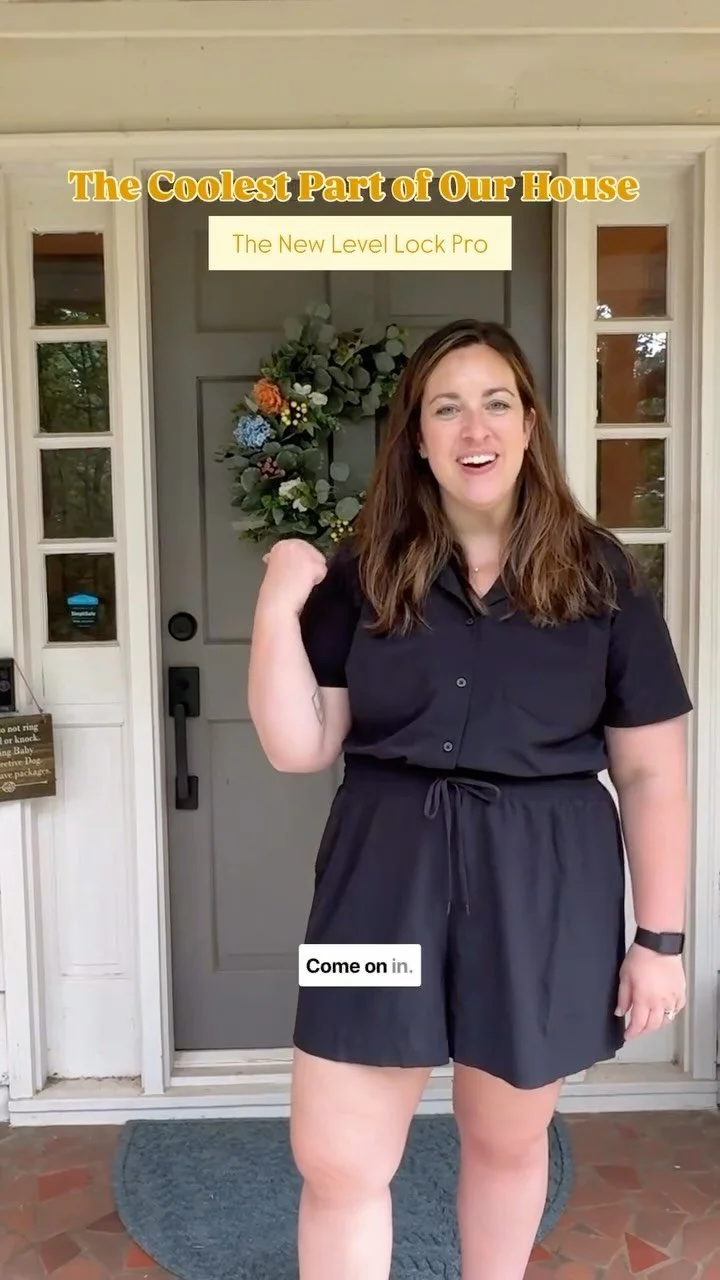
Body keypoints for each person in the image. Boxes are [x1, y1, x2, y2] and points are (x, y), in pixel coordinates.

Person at [247, 318, 692, 1280]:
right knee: (336, 1156)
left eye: (495, 403)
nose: (474, 428)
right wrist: (279, 601)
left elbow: (653, 771)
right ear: (417, 437)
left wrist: (659, 941)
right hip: (379, 884)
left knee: (505, 1138)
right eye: (446, 409)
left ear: (529, 424)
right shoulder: (364, 570)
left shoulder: (604, 577)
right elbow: (298, 744)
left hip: (542, 886)